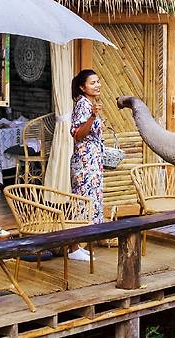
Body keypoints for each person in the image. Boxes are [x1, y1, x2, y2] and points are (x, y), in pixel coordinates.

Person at [68, 69, 105, 261]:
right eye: (92, 82)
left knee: (88, 201)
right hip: (84, 163)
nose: (97, 85)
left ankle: (77, 245)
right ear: (83, 87)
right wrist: (92, 118)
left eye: (98, 81)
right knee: (82, 202)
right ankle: (74, 247)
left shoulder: (90, 104)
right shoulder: (83, 105)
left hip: (92, 161)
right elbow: (77, 133)